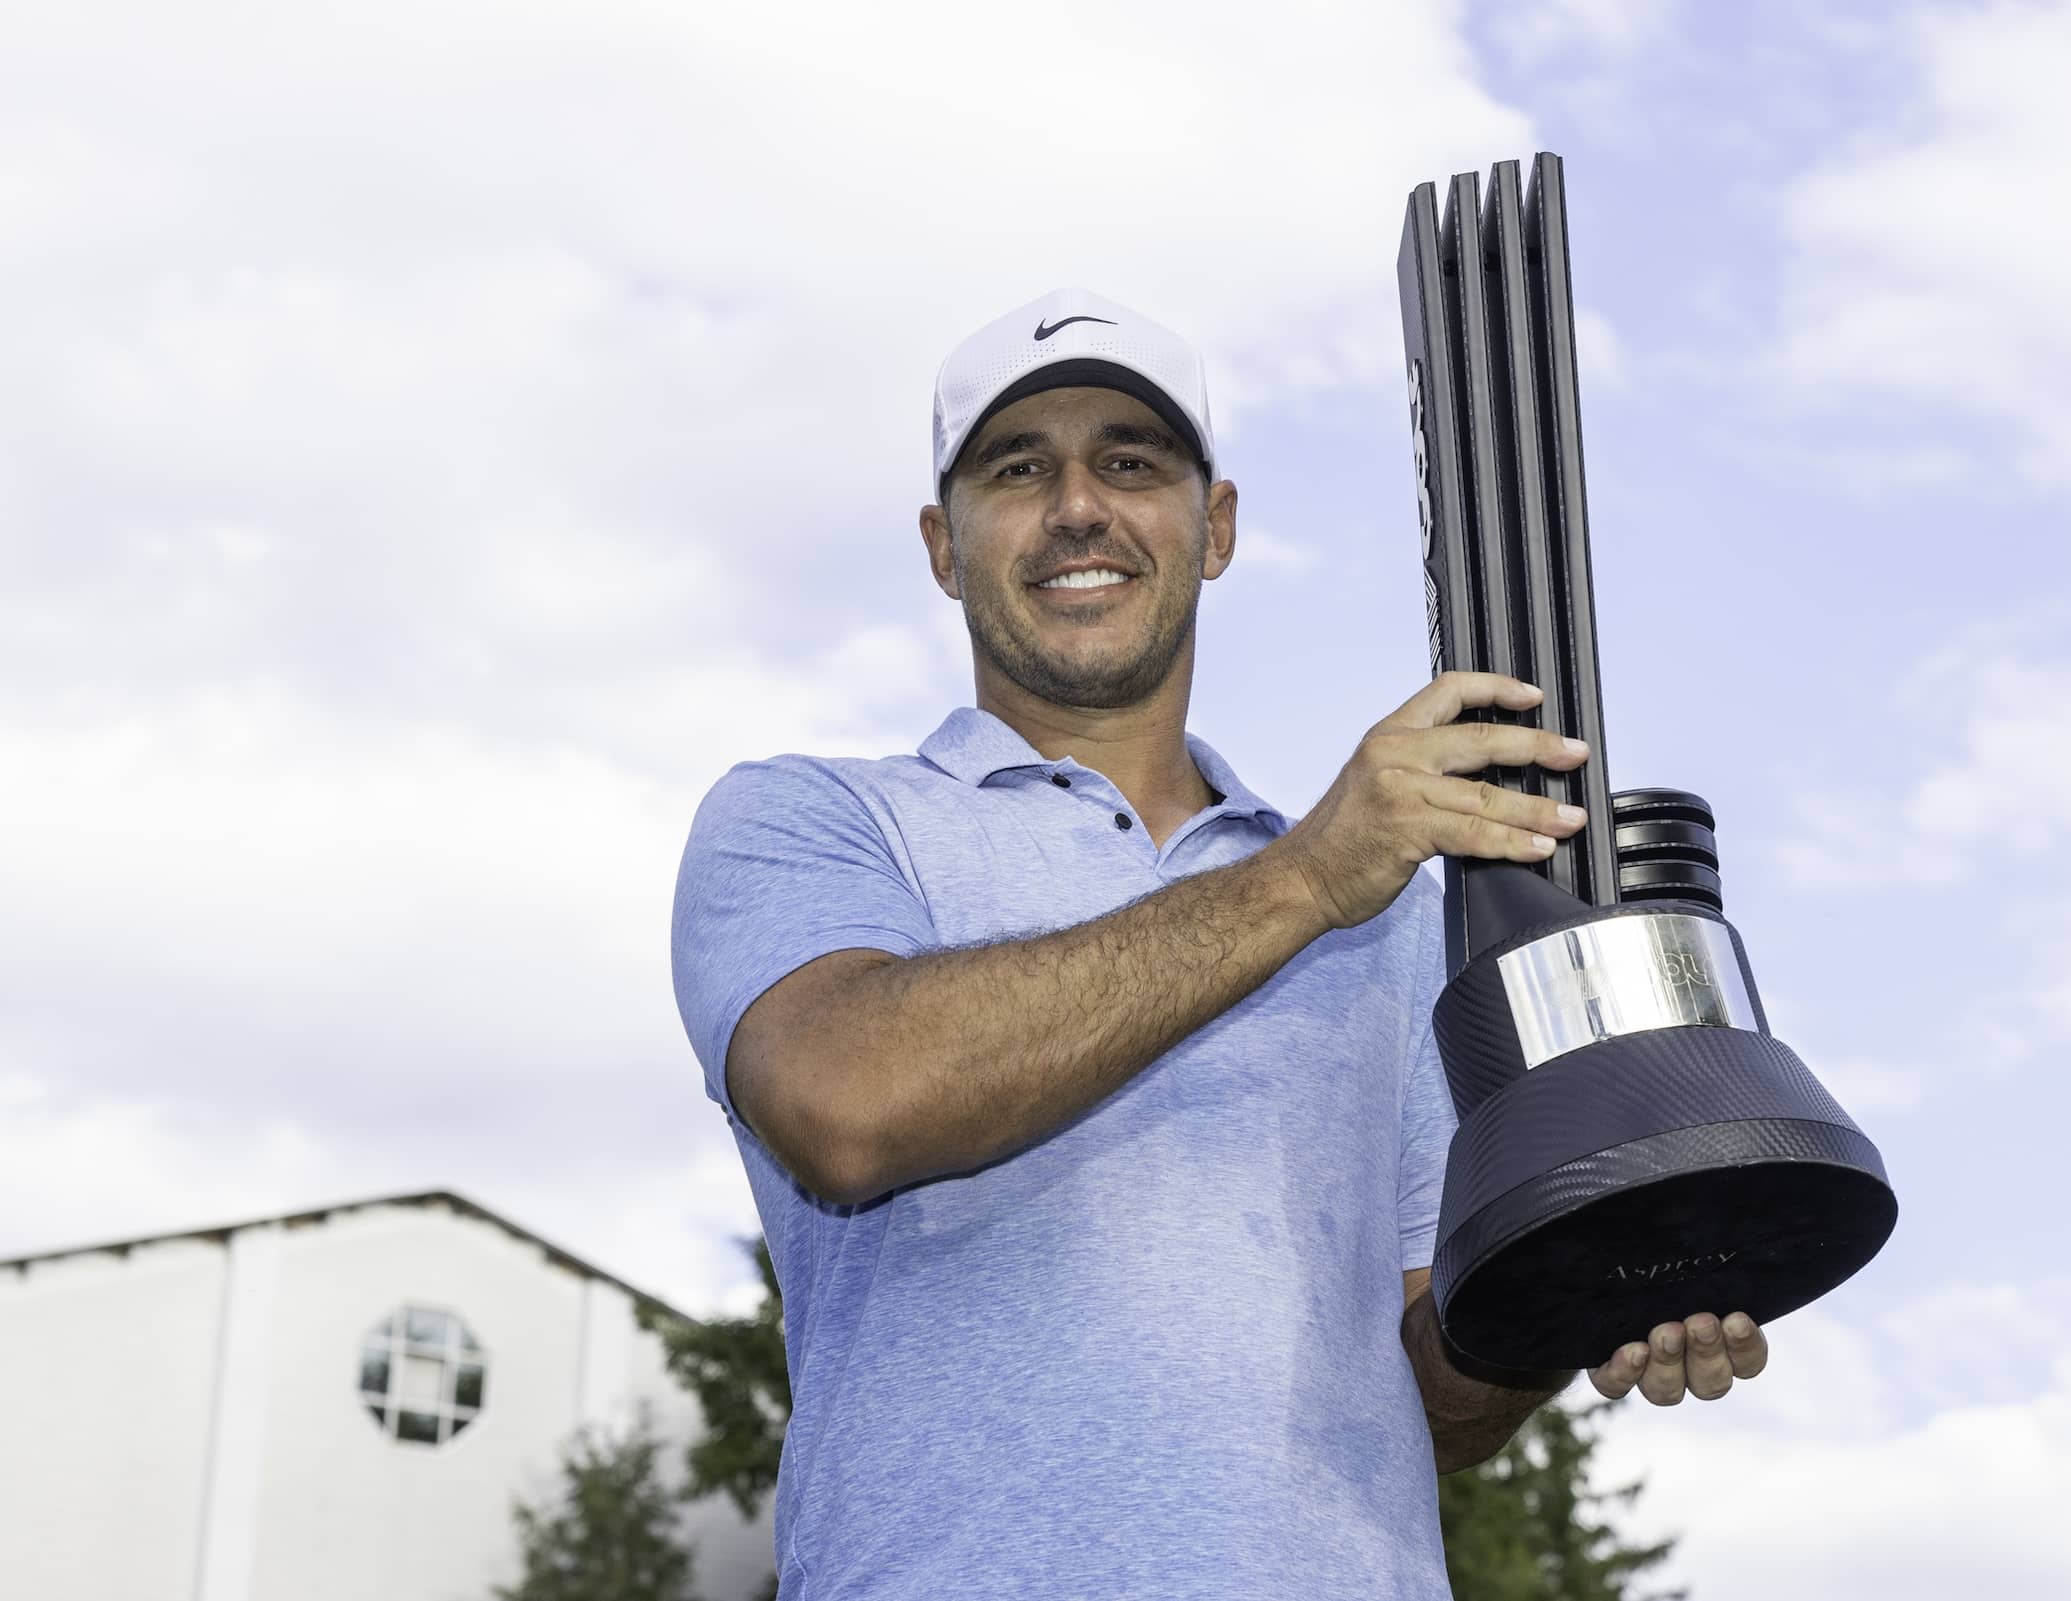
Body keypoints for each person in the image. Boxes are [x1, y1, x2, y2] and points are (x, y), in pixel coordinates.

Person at [670, 289, 1769, 1600]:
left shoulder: (1399, 923)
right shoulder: (813, 822)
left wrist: (1568, 1289)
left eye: (1132, 461)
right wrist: (1306, 875)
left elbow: (1426, 1406)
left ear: (1219, 526)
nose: (1079, 505)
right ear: (941, 547)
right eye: (1018, 469)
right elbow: (849, 1101)